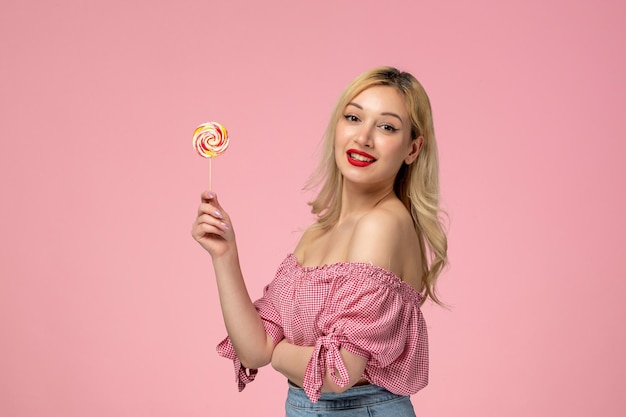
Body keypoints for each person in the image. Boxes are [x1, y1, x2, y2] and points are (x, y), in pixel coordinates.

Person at [191, 66, 448, 416]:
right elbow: (253, 350)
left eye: (386, 126)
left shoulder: (383, 224)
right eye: (353, 117)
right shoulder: (317, 234)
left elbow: (337, 371)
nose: (364, 138)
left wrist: (276, 353)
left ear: (412, 149)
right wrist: (224, 254)